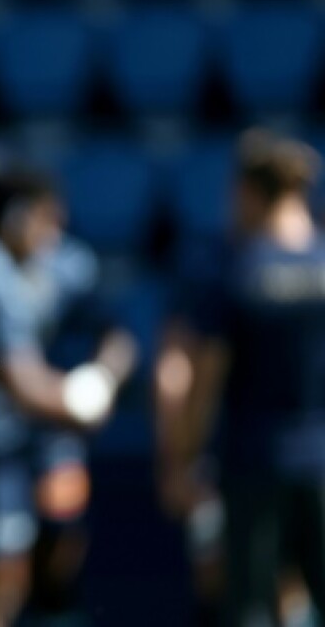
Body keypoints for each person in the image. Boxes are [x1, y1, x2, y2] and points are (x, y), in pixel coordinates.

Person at [0, 167, 134, 627]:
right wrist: (79, 406)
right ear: (15, 216)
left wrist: (103, 379)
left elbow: (118, 336)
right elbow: (19, 379)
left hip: (51, 441)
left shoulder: (63, 261)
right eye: (45, 219)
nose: (53, 233)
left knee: (61, 560)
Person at [164, 128, 325, 627]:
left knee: (250, 607)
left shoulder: (236, 270)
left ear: (250, 192)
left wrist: (184, 457)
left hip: (253, 462)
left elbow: (207, 377)